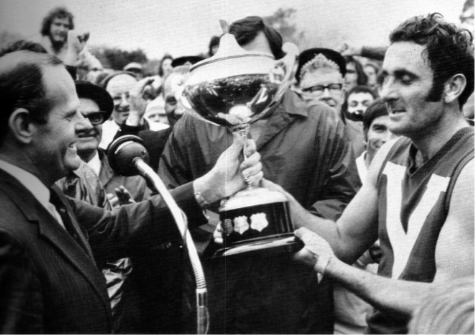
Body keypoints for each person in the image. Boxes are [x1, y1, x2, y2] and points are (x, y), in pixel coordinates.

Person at [0, 50, 263, 333]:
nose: (85, 125)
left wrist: (213, 185)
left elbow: (113, 226)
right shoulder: (6, 237)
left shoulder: (40, 196)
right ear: (24, 126)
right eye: (69, 115)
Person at [272, 13, 473, 333]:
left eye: (405, 79)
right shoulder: (390, 154)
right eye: (385, 77)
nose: (387, 93)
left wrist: (333, 268)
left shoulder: (470, 170)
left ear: (452, 87)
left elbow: (448, 303)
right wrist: (276, 196)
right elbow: (342, 241)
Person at [159, 16, 361, 334]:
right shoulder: (194, 124)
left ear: (279, 65)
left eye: (255, 64)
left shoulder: (320, 120)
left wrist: (286, 226)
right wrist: (221, 227)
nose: (242, 78)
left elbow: (345, 200)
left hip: (295, 289)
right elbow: (167, 198)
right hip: (219, 288)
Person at [295, 48, 365, 157]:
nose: (327, 96)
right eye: (317, 88)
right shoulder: (291, 136)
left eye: (334, 87)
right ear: (302, 95)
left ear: (342, 94)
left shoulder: (363, 135)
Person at [99, 71, 149, 149]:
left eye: (129, 96)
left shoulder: (161, 129)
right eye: (116, 98)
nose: (124, 103)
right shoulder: (99, 137)